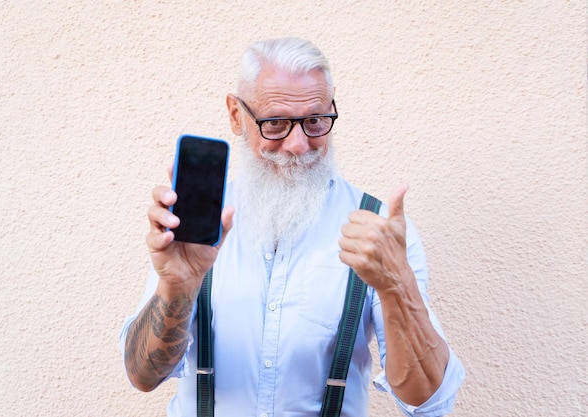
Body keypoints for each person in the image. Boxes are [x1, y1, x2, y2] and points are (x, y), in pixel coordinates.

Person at [120, 37, 464, 417]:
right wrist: (177, 285)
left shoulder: (379, 232)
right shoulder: (199, 222)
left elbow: (428, 400)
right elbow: (142, 375)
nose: (299, 144)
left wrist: (397, 286)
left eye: (315, 121)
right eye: (276, 123)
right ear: (236, 115)